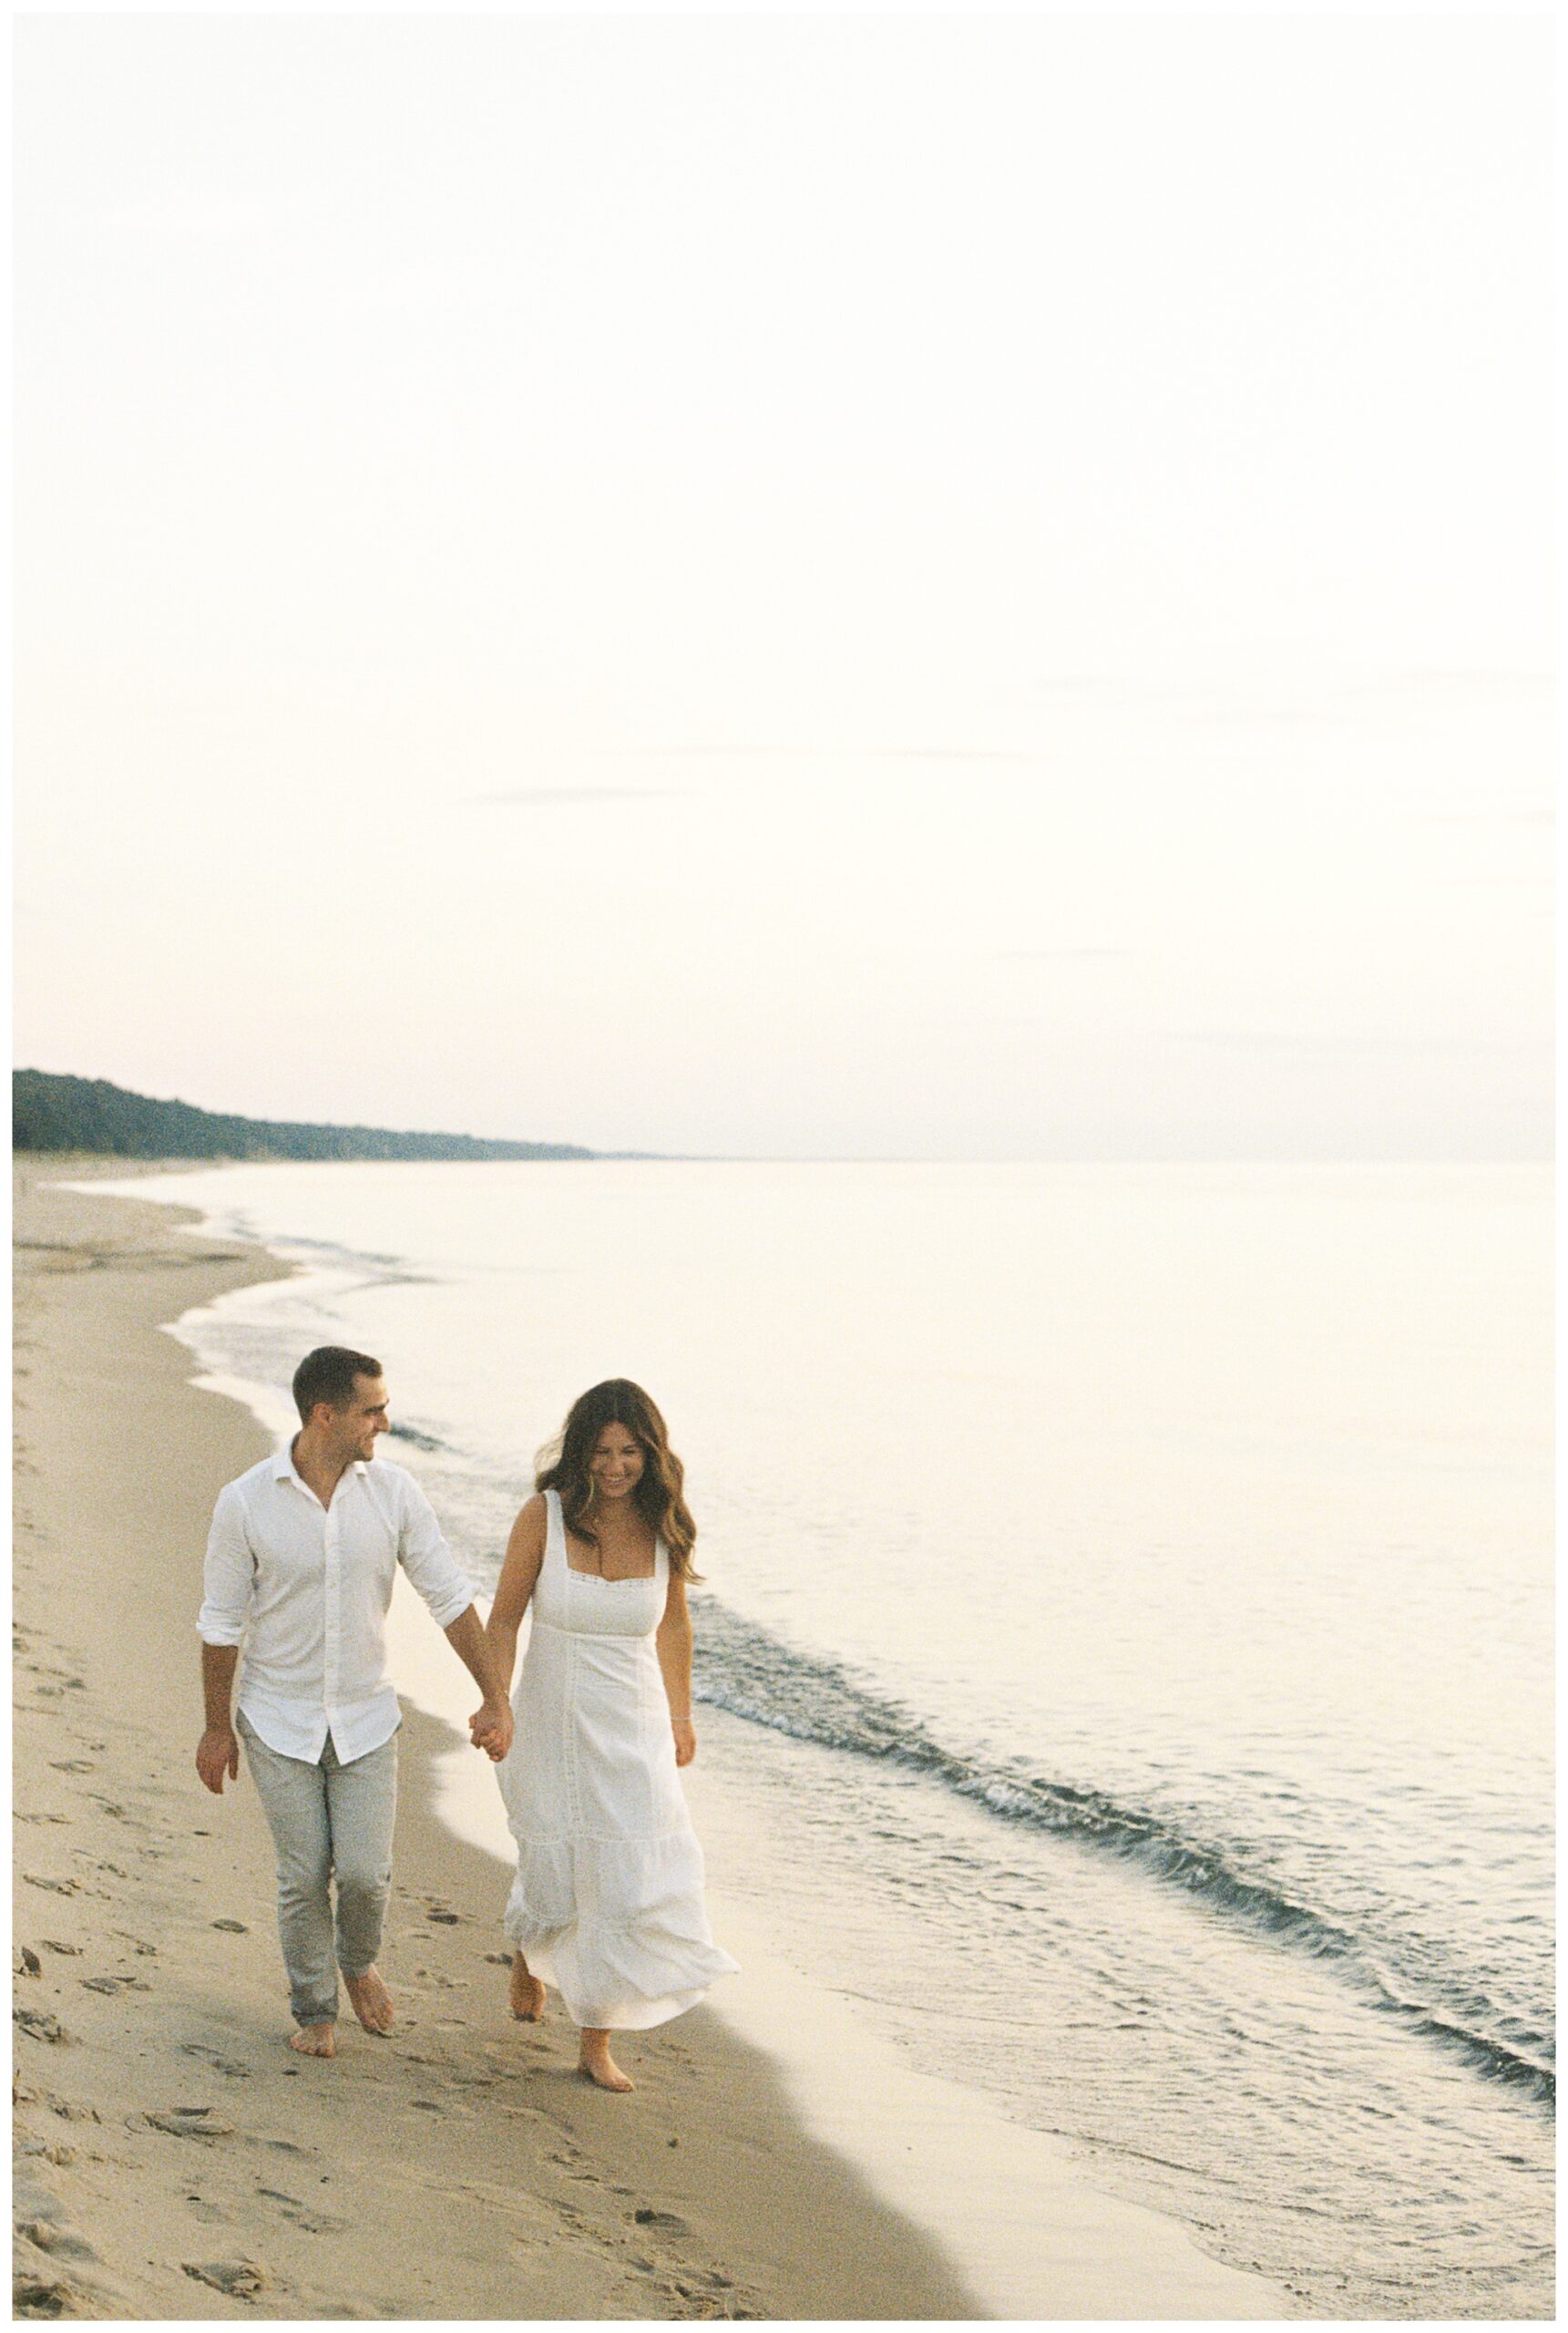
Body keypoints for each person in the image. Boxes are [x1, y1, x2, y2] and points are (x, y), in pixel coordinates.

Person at [195, 1345, 514, 2058]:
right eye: (373, 1411)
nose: (386, 1424)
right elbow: (220, 1624)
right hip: (277, 1717)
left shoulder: (394, 1494)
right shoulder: (245, 1501)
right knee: (303, 1872)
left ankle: (357, 1959)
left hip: (367, 1717)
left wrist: (495, 1696)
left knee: (366, 1876)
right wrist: (218, 1729)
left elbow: (449, 1597)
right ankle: (315, 2009)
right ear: (326, 1414)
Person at [486, 1379, 739, 2091]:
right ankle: (529, 1945)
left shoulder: (663, 1522)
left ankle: (595, 2040)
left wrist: (682, 1717)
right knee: (556, 1863)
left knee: (625, 1880)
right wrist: (496, 1703)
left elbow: (674, 1624)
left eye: (630, 1451)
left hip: (633, 1724)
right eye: (601, 1451)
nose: (616, 1466)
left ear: (651, 1454)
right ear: (579, 1450)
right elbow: (503, 1619)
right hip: (550, 1714)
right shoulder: (544, 1515)